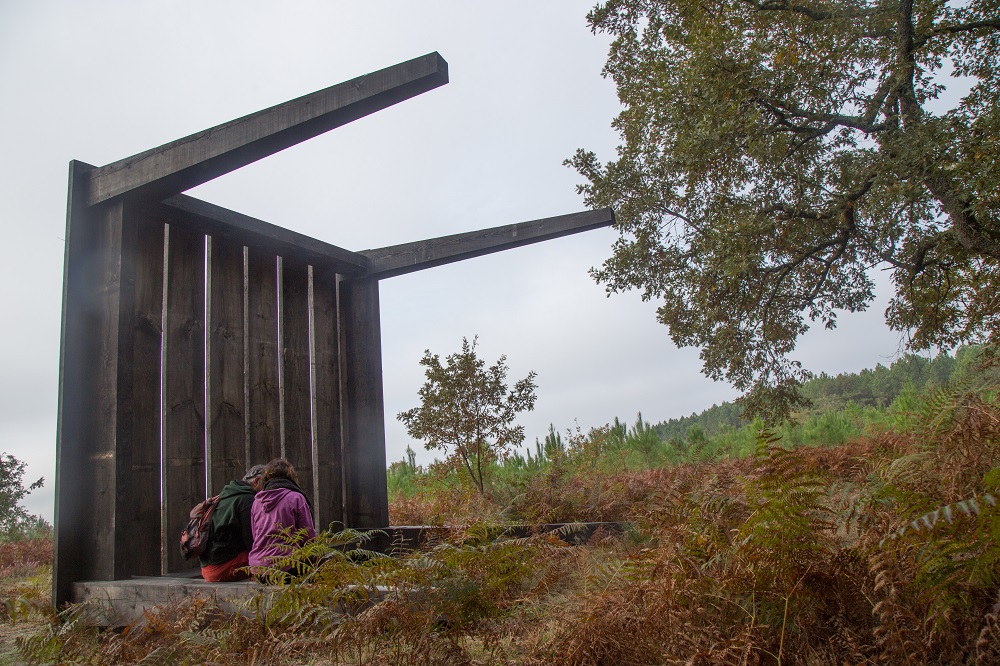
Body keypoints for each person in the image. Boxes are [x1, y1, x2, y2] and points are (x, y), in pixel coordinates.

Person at [249, 458, 316, 577]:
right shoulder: (296, 498)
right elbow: (308, 536)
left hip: (259, 569)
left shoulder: (257, 501)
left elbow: (255, 535)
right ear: (291, 476)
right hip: (287, 567)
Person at [200, 464, 265, 582]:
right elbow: (252, 540)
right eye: (266, 484)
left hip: (207, 567)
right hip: (223, 567)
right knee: (273, 560)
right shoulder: (247, 499)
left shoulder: (225, 495)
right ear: (256, 481)